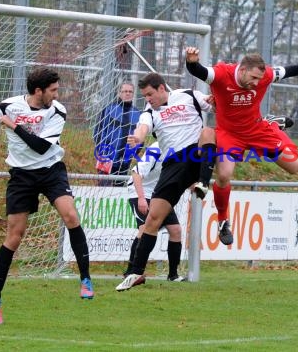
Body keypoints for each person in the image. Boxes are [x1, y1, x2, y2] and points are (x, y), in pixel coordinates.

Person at [0, 67, 94, 325]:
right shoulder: (4, 106)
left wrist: (15, 126)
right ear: (38, 91)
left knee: (70, 215)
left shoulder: (57, 110)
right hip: (21, 176)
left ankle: (85, 278)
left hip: (51, 170)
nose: (57, 94)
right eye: (53, 90)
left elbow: (42, 147)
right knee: (14, 236)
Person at [185, 46, 298, 245]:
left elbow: (291, 70)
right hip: (229, 133)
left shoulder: (265, 75)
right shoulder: (221, 74)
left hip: (256, 130)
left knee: (294, 167)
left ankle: (271, 123)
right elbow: (198, 71)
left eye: (259, 79)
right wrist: (191, 61)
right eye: (253, 78)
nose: (256, 83)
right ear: (242, 69)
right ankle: (222, 220)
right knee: (224, 175)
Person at [115, 72, 216, 291]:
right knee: (152, 220)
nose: (147, 99)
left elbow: (213, 105)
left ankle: (203, 182)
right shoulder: (149, 112)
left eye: (150, 94)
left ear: (162, 88)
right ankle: (136, 273)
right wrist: (139, 137)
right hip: (173, 165)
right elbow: (142, 128)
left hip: (194, 154)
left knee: (208, 132)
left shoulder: (189, 95)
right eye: (144, 96)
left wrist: (215, 97)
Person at [124, 141, 187, 282]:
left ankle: (173, 275)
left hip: (158, 193)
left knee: (176, 230)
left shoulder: (179, 148)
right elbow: (136, 174)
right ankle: (130, 272)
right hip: (139, 191)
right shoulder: (155, 149)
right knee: (144, 229)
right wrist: (141, 198)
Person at [93, 82, 141, 186]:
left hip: (125, 161)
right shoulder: (109, 110)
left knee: (119, 192)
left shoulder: (138, 114)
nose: (127, 94)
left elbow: (140, 138)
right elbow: (98, 132)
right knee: (103, 190)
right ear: (119, 93)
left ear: (133, 94)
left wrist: (133, 152)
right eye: (125, 91)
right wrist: (103, 151)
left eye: (130, 91)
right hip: (107, 158)